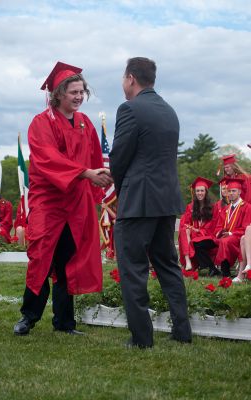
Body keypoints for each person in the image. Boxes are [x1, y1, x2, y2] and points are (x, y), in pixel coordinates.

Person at [14, 61, 113, 336]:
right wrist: (86, 173)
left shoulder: (84, 123)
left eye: (82, 91)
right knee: (41, 259)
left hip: (76, 203)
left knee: (69, 261)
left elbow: (95, 157)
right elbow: (48, 159)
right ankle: (29, 317)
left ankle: (65, 323)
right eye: (73, 92)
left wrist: (102, 176)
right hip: (49, 202)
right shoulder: (41, 123)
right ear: (58, 94)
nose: (79, 96)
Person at [109, 57, 192, 348]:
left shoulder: (129, 109)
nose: (123, 83)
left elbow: (119, 157)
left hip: (139, 201)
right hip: (166, 200)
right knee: (168, 265)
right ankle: (182, 331)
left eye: (123, 78)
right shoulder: (169, 111)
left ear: (131, 78)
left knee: (133, 268)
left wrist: (122, 188)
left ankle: (141, 338)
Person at [193, 178, 251, 277]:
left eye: (234, 191)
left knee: (225, 242)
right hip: (222, 236)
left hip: (237, 237)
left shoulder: (247, 207)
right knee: (198, 243)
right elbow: (219, 225)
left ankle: (225, 272)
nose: (231, 193)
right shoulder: (226, 209)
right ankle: (212, 268)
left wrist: (230, 233)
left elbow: (246, 228)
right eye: (229, 191)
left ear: (240, 192)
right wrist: (219, 232)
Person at [178, 177, 218, 274]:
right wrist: (191, 228)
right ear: (195, 192)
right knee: (184, 230)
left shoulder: (213, 207)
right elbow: (185, 223)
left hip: (208, 236)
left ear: (206, 192)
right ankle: (188, 262)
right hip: (195, 235)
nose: (200, 193)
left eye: (202, 191)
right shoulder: (190, 206)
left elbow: (214, 224)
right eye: (197, 191)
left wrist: (199, 231)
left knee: (195, 241)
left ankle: (206, 266)